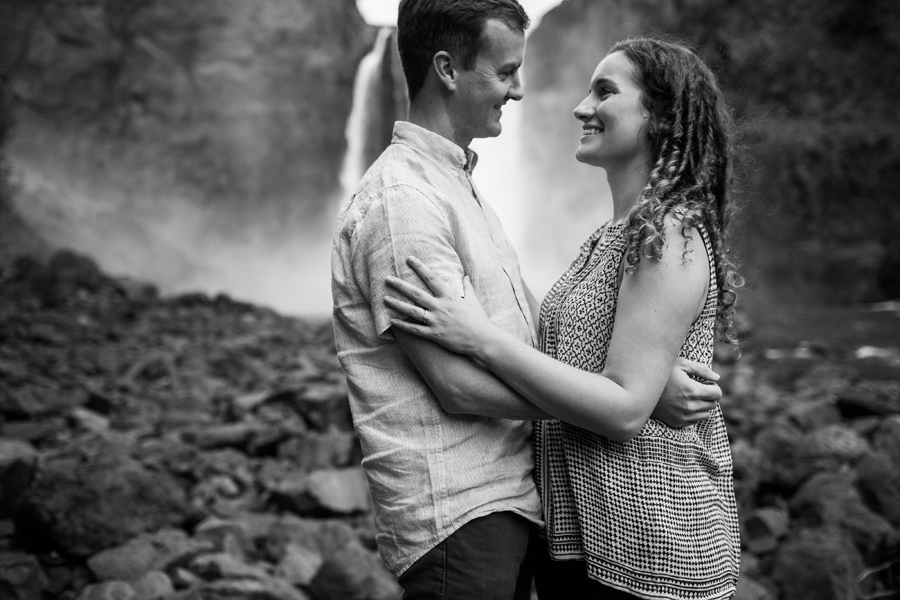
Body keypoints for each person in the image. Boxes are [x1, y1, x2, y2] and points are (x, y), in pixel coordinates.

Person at [331, 1, 723, 595]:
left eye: (603, 92)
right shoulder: (405, 201)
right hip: (462, 514)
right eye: (506, 71)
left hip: (603, 535)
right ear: (447, 69)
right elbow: (457, 384)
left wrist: (632, 393)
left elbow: (567, 360)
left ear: (659, 118)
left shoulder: (464, 189)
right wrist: (626, 402)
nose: (521, 92)